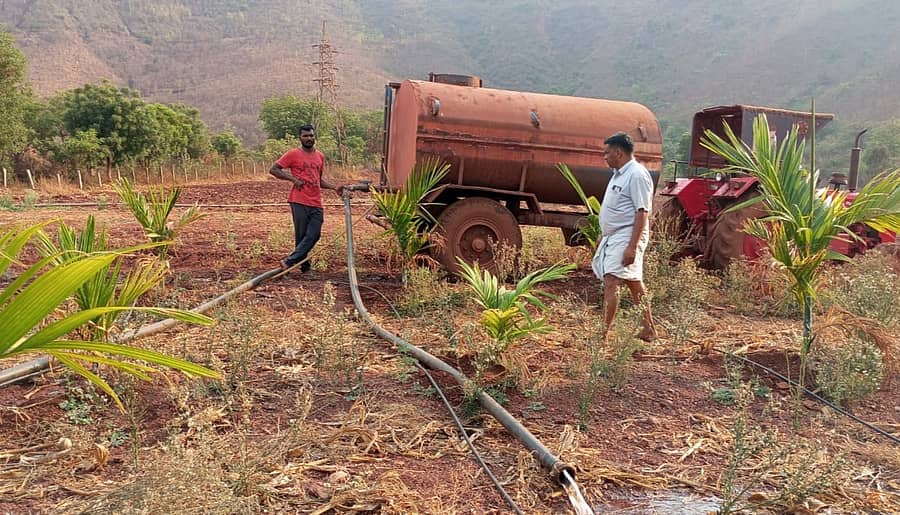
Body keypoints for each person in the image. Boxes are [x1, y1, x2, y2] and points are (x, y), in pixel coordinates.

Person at [592, 132, 657, 341]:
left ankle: (602, 336)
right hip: (615, 235)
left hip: (628, 234)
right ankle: (649, 329)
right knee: (633, 281)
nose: (605, 156)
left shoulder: (637, 174)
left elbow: (642, 211)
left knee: (612, 280)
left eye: (607, 152)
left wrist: (632, 247)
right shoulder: (618, 174)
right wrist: (604, 233)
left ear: (619, 152)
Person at [269, 124, 343, 272]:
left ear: (314, 136)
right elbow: (274, 169)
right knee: (302, 236)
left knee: (314, 234)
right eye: (305, 136)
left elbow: (319, 180)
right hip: (298, 200)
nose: (309, 138)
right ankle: (304, 267)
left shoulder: (320, 156)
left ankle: (289, 261)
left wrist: (335, 187)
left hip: (316, 202)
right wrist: (293, 179)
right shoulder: (293, 154)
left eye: (311, 135)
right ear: (300, 138)